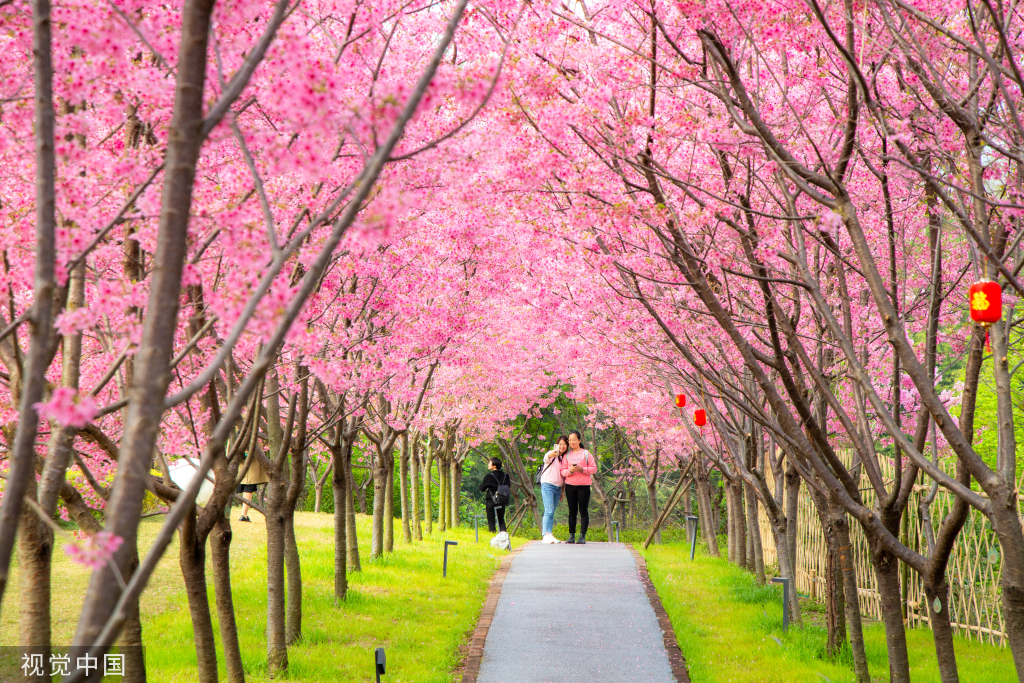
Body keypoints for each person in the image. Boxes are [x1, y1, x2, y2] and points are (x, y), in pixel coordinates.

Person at [559, 430, 597, 544]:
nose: (571, 442)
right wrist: (570, 470)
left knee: (583, 511)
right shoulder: (567, 455)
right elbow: (562, 471)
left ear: (579, 440)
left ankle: (582, 536)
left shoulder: (586, 454)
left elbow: (594, 468)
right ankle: (571, 536)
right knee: (572, 511)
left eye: (574, 440)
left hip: (584, 486)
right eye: (570, 440)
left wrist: (583, 469)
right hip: (570, 486)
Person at [539, 436, 568, 544]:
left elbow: (564, 476)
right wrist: (552, 454)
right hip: (548, 484)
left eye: (564, 444)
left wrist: (562, 492)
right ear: (557, 444)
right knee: (549, 510)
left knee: (552, 511)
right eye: (560, 444)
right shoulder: (552, 454)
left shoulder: (564, 459)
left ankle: (550, 534)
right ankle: (545, 535)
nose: (562, 446)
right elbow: (546, 458)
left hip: (558, 487)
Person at [479, 457, 510, 533]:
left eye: (490, 463)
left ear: (494, 465)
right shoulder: (506, 476)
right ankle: (504, 535)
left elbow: (481, 488)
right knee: (501, 519)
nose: (488, 464)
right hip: (502, 499)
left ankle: (492, 534)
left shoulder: (489, 476)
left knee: (491, 520)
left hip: (491, 500)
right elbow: (508, 486)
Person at [236, 450, 269, 522]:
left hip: (238, 459)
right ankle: (244, 515)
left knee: (246, 484)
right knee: (248, 486)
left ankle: (244, 515)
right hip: (251, 460)